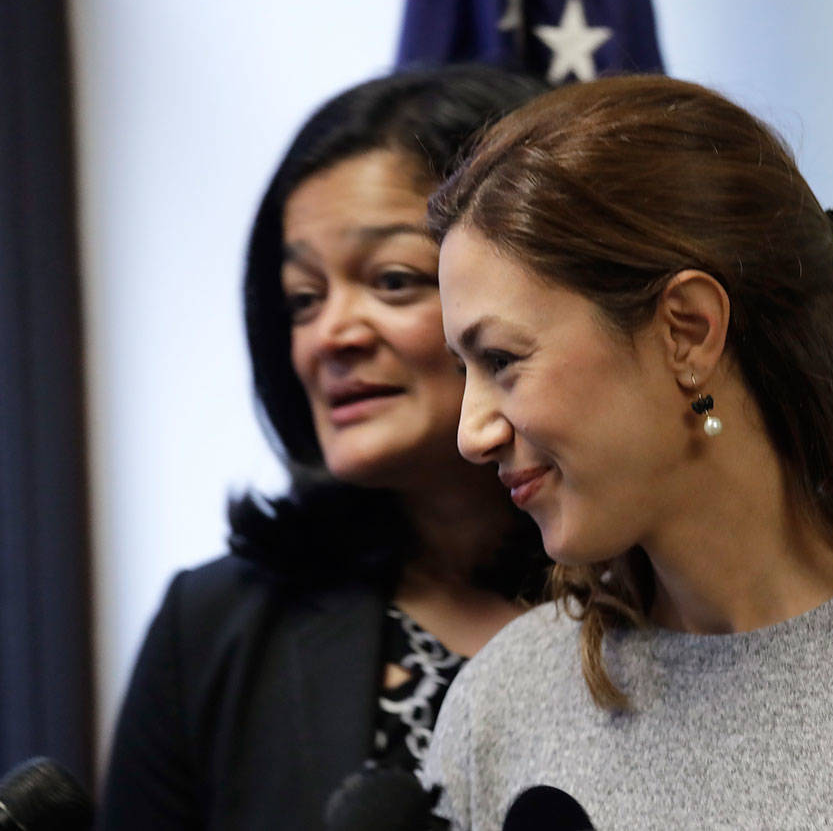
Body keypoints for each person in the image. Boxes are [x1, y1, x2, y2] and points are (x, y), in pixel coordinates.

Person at [99, 67, 833, 830]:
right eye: (300, 296)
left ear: (688, 333)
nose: (472, 427)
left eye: (501, 360)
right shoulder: (505, 700)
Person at [98, 66, 551, 830]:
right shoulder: (209, 629)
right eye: (303, 299)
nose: (329, 335)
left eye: (393, 280)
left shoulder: (683, 592)